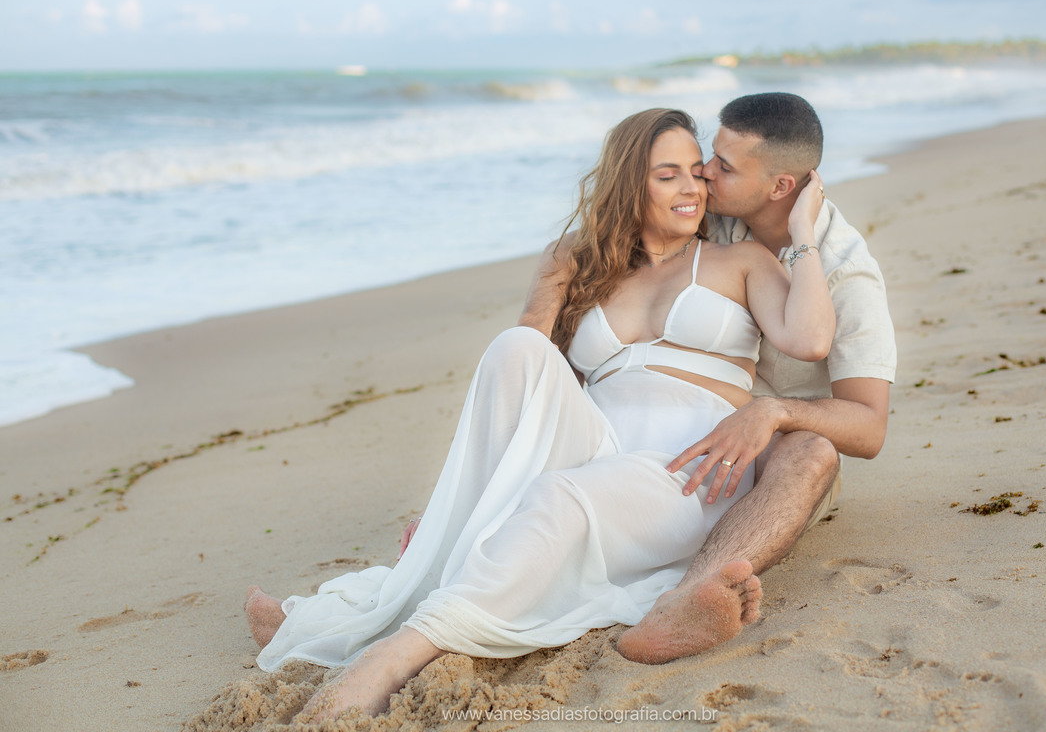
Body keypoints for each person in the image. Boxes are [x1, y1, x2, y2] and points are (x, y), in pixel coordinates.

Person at [242, 107, 834, 722]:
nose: (692, 187)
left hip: (689, 466)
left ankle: (393, 656)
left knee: (557, 497)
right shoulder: (574, 260)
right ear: (630, 183)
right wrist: (455, 496)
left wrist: (804, 233)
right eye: (668, 175)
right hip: (595, 439)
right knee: (516, 347)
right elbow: (524, 379)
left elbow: (811, 338)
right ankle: (435, 549)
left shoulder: (739, 261)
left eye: (696, 171)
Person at [608, 92, 897, 664]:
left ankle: (692, 596)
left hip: (761, 460)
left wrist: (774, 411)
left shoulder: (846, 273)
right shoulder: (706, 220)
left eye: (724, 166)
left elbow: (869, 427)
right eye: (710, 156)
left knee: (813, 453)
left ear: (780, 187)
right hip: (658, 417)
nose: (703, 174)